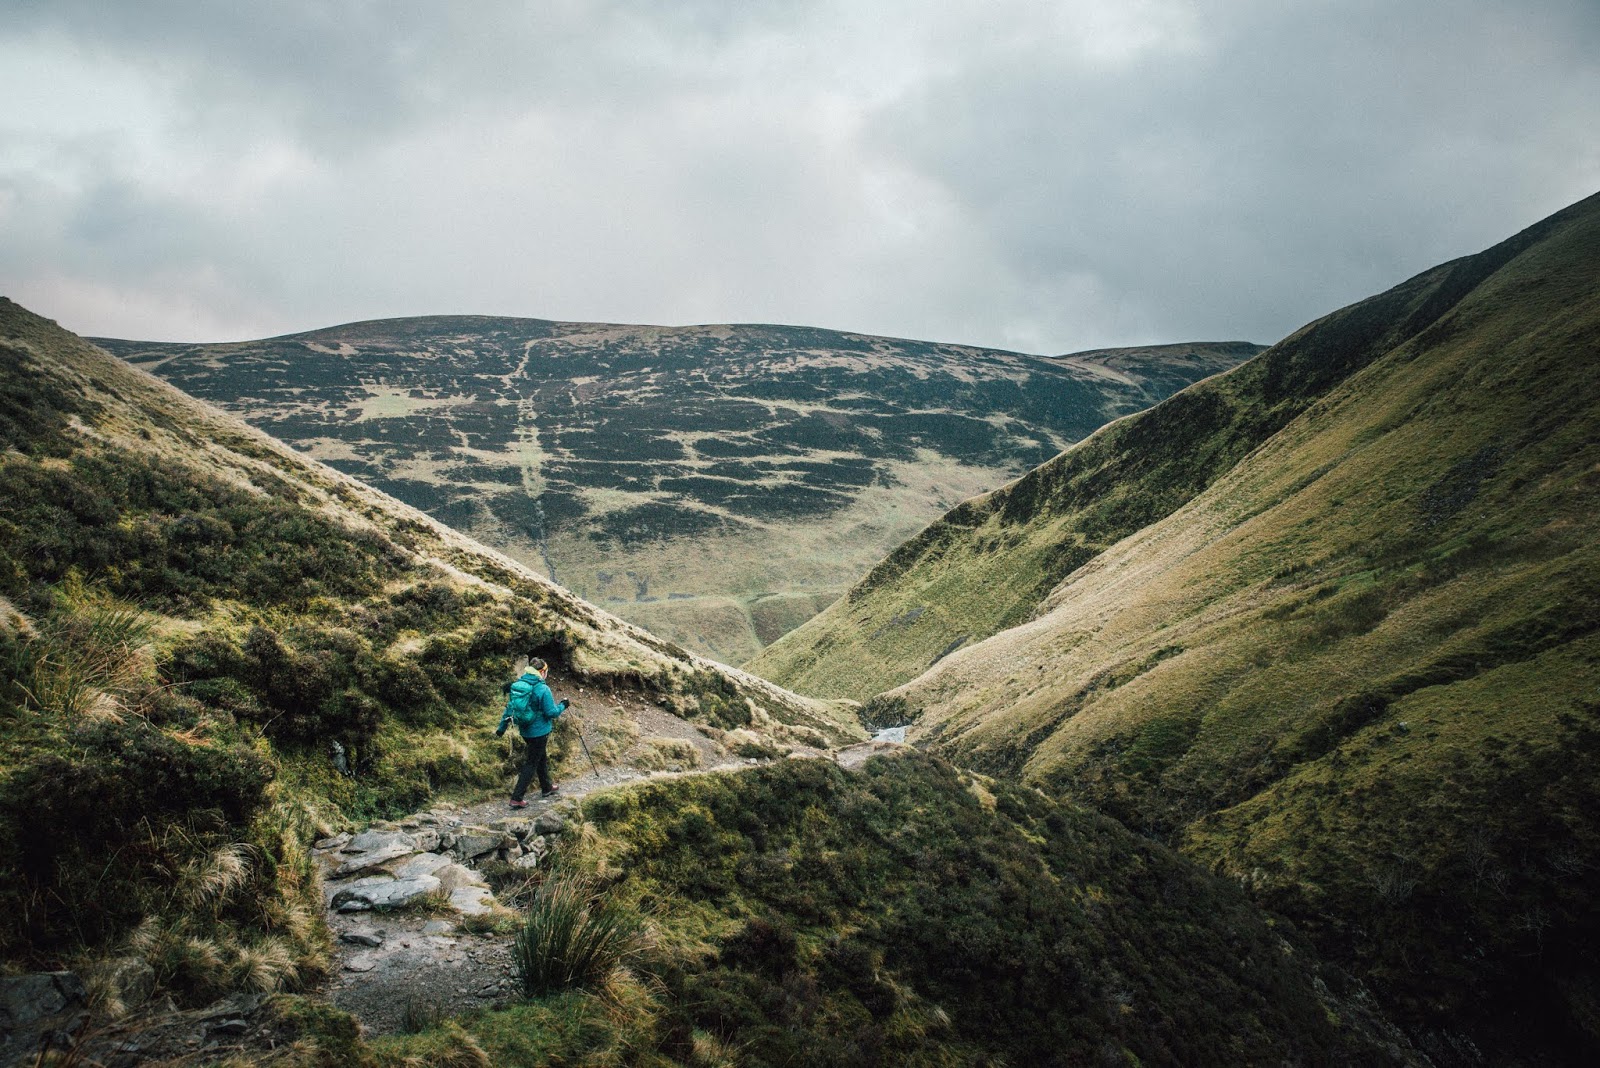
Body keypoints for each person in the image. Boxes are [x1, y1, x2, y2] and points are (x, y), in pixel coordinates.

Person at [495, 656, 569, 808]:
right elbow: (551, 713)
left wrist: (501, 729)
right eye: (546, 671)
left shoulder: (518, 685)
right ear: (542, 672)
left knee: (540, 756)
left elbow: (510, 708)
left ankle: (546, 787)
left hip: (525, 731)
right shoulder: (543, 689)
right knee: (532, 762)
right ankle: (516, 798)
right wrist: (563, 705)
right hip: (540, 732)